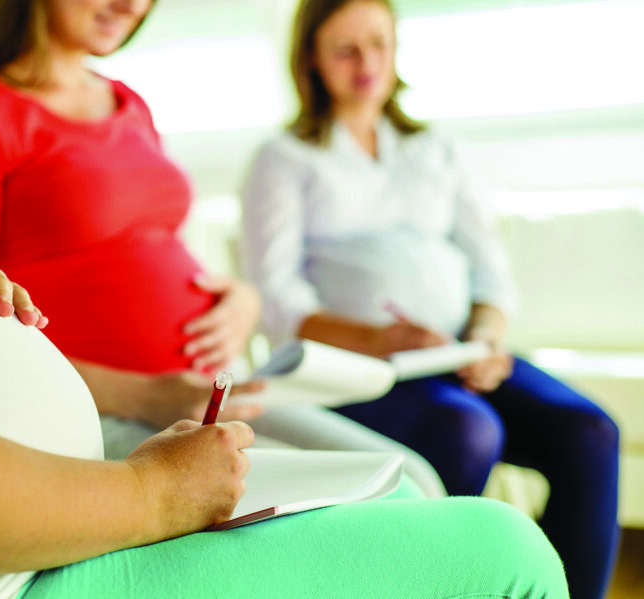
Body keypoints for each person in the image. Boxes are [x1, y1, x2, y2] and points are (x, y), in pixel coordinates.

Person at [0, 0, 448, 498]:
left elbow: (142, 250)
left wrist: (243, 301)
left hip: (212, 394)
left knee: (413, 478)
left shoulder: (128, 103)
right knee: (390, 499)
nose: (130, 6)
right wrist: (143, 395)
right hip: (102, 410)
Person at [239, 0, 619, 597]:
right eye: (345, 49)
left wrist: (488, 342)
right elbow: (279, 300)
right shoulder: (285, 159)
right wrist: (381, 339)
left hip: (460, 353)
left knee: (589, 431)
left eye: (378, 43)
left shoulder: (439, 150)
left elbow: (491, 273)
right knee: (468, 429)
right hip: (364, 371)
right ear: (311, 59)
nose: (366, 63)